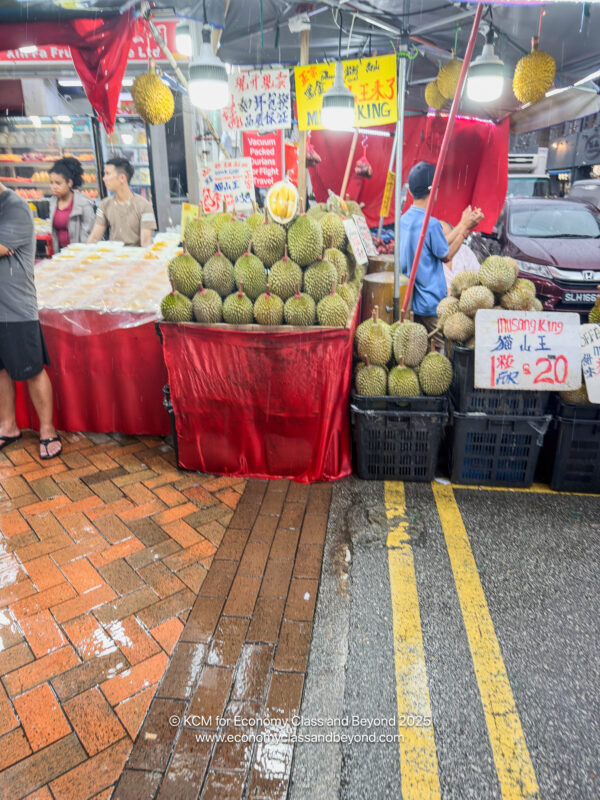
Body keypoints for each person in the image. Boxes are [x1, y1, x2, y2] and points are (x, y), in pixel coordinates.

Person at [0, 183, 62, 459]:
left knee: (32, 369)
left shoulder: (14, 207)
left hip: (16, 308)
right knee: (0, 371)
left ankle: (47, 430)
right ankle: (8, 425)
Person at [400, 161, 484, 338]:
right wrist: (465, 231)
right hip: (431, 303)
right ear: (433, 190)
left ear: (410, 191)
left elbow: (438, 244)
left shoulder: (404, 219)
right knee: (438, 349)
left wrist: (462, 224)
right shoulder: (430, 224)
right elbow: (446, 255)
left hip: (410, 301)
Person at [87, 157, 156, 247]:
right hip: (113, 257)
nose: (104, 178)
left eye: (108, 174)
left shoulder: (144, 205)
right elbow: (95, 238)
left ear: (122, 178)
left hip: (135, 257)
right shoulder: (104, 204)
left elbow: (146, 242)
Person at [48, 156, 95, 253]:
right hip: (60, 253)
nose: (54, 187)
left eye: (58, 183)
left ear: (69, 182)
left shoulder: (83, 203)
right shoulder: (53, 202)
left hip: (79, 254)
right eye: (51, 183)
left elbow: (88, 234)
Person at [440, 219, 481, 294]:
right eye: (440, 238)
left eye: (448, 236)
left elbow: (478, 275)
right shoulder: (427, 260)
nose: (445, 241)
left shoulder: (464, 250)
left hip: (472, 298)